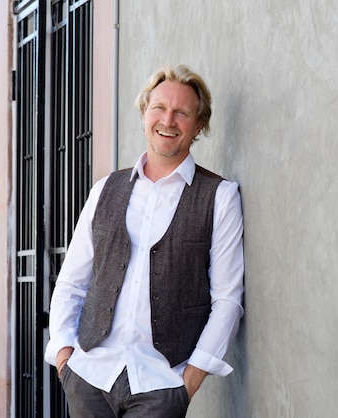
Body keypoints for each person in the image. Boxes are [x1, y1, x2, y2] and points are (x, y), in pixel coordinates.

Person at [45, 64, 245, 418]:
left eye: (182, 112)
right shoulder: (105, 189)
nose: (168, 120)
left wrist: (191, 379)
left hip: (161, 385)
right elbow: (71, 283)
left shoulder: (219, 196)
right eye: (159, 108)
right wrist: (64, 357)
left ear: (198, 125)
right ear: (144, 113)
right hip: (90, 376)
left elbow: (227, 299)